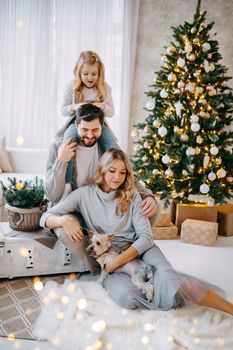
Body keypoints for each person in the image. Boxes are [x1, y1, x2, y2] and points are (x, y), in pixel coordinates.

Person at [41, 148, 233, 315]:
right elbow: (45, 218)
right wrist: (63, 219)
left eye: (123, 173)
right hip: (111, 258)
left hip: (141, 250)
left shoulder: (132, 196)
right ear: (102, 170)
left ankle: (227, 308)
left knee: (168, 278)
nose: (117, 177)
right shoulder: (83, 195)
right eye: (112, 170)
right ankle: (167, 288)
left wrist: (120, 260)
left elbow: (146, 238)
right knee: (127, 297)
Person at [45, 104, 158, 273]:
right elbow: (51, 192)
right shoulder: (59, 147)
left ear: (102, 127)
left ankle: (128, 251)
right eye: (84, 129)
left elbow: (124, 172)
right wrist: (62, 161)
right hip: (75, 204)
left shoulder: (105, 147)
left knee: (152, 208)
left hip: (100, 203)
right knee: (62, 229)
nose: (90, 135)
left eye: (95, 130)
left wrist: (148, 195)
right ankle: (97, 268)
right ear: (76, 126)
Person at [61, 50, 118, 184]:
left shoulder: (105, 88)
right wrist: (74, 107)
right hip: (77, 124)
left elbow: (112, 112)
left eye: (94, 74)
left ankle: (112, 181)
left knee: (113, 146)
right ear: (79, 73)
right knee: (67, 144)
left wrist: (103, 106)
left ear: (100, 74)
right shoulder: (71, 86)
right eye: (85, 74)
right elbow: (63, 110)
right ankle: (68, 183)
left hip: (99, 125)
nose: (90, 78)